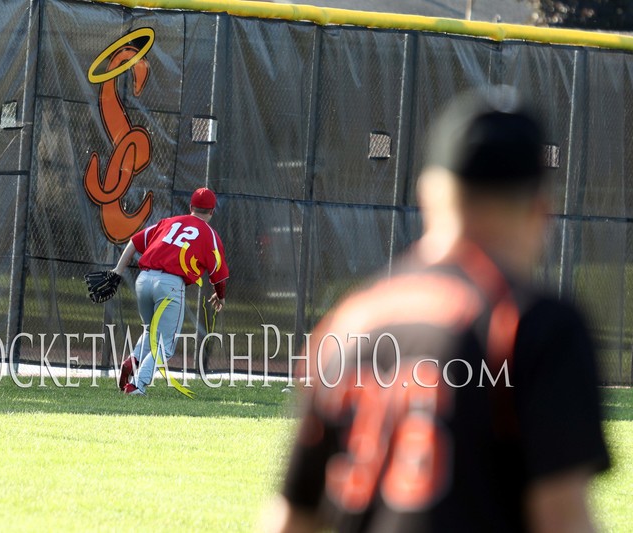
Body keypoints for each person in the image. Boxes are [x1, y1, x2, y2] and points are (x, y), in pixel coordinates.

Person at [267, 87, 609, 532]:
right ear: (541, 210)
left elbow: (292, 518)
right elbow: (561, 518)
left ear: (429, 194)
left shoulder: (350, 319)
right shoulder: (535, 323)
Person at [111, 187, 229, 395]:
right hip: (170, 284)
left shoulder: (169, 222)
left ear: (191, 207)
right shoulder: (210, 235)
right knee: (165, 343)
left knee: (151, 331)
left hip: (144, 279)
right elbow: (219, 274)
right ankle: (137, 385)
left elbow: (135, 241)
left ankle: (133, 361)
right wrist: (220, 295)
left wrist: (118, 271)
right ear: (211, 212)